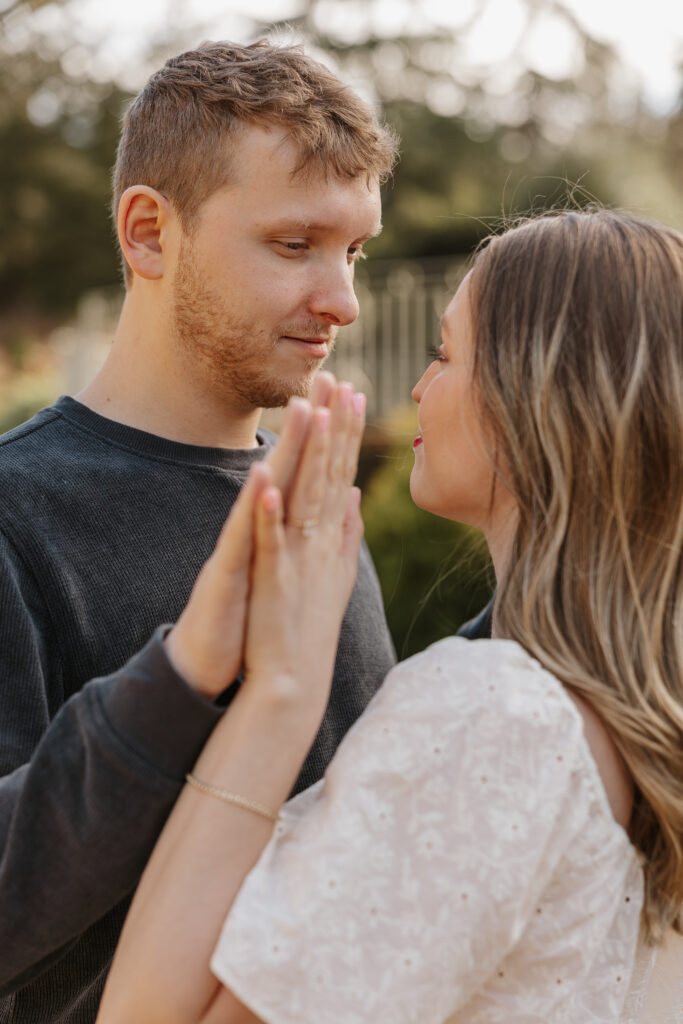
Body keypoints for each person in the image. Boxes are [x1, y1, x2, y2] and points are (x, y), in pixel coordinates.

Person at [96, 208, 682, 1023]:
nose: (418, 387)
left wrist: (282, 689)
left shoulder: (491, 718)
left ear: (536, 398)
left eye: (444, 353)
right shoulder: (639, 715)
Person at [0, 40, 400, 1022]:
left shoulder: (310, 494)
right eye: (294, 244)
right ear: (149, 234)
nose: (342, 301)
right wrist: (178, 679)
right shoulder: (18, 515)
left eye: (353, 251)